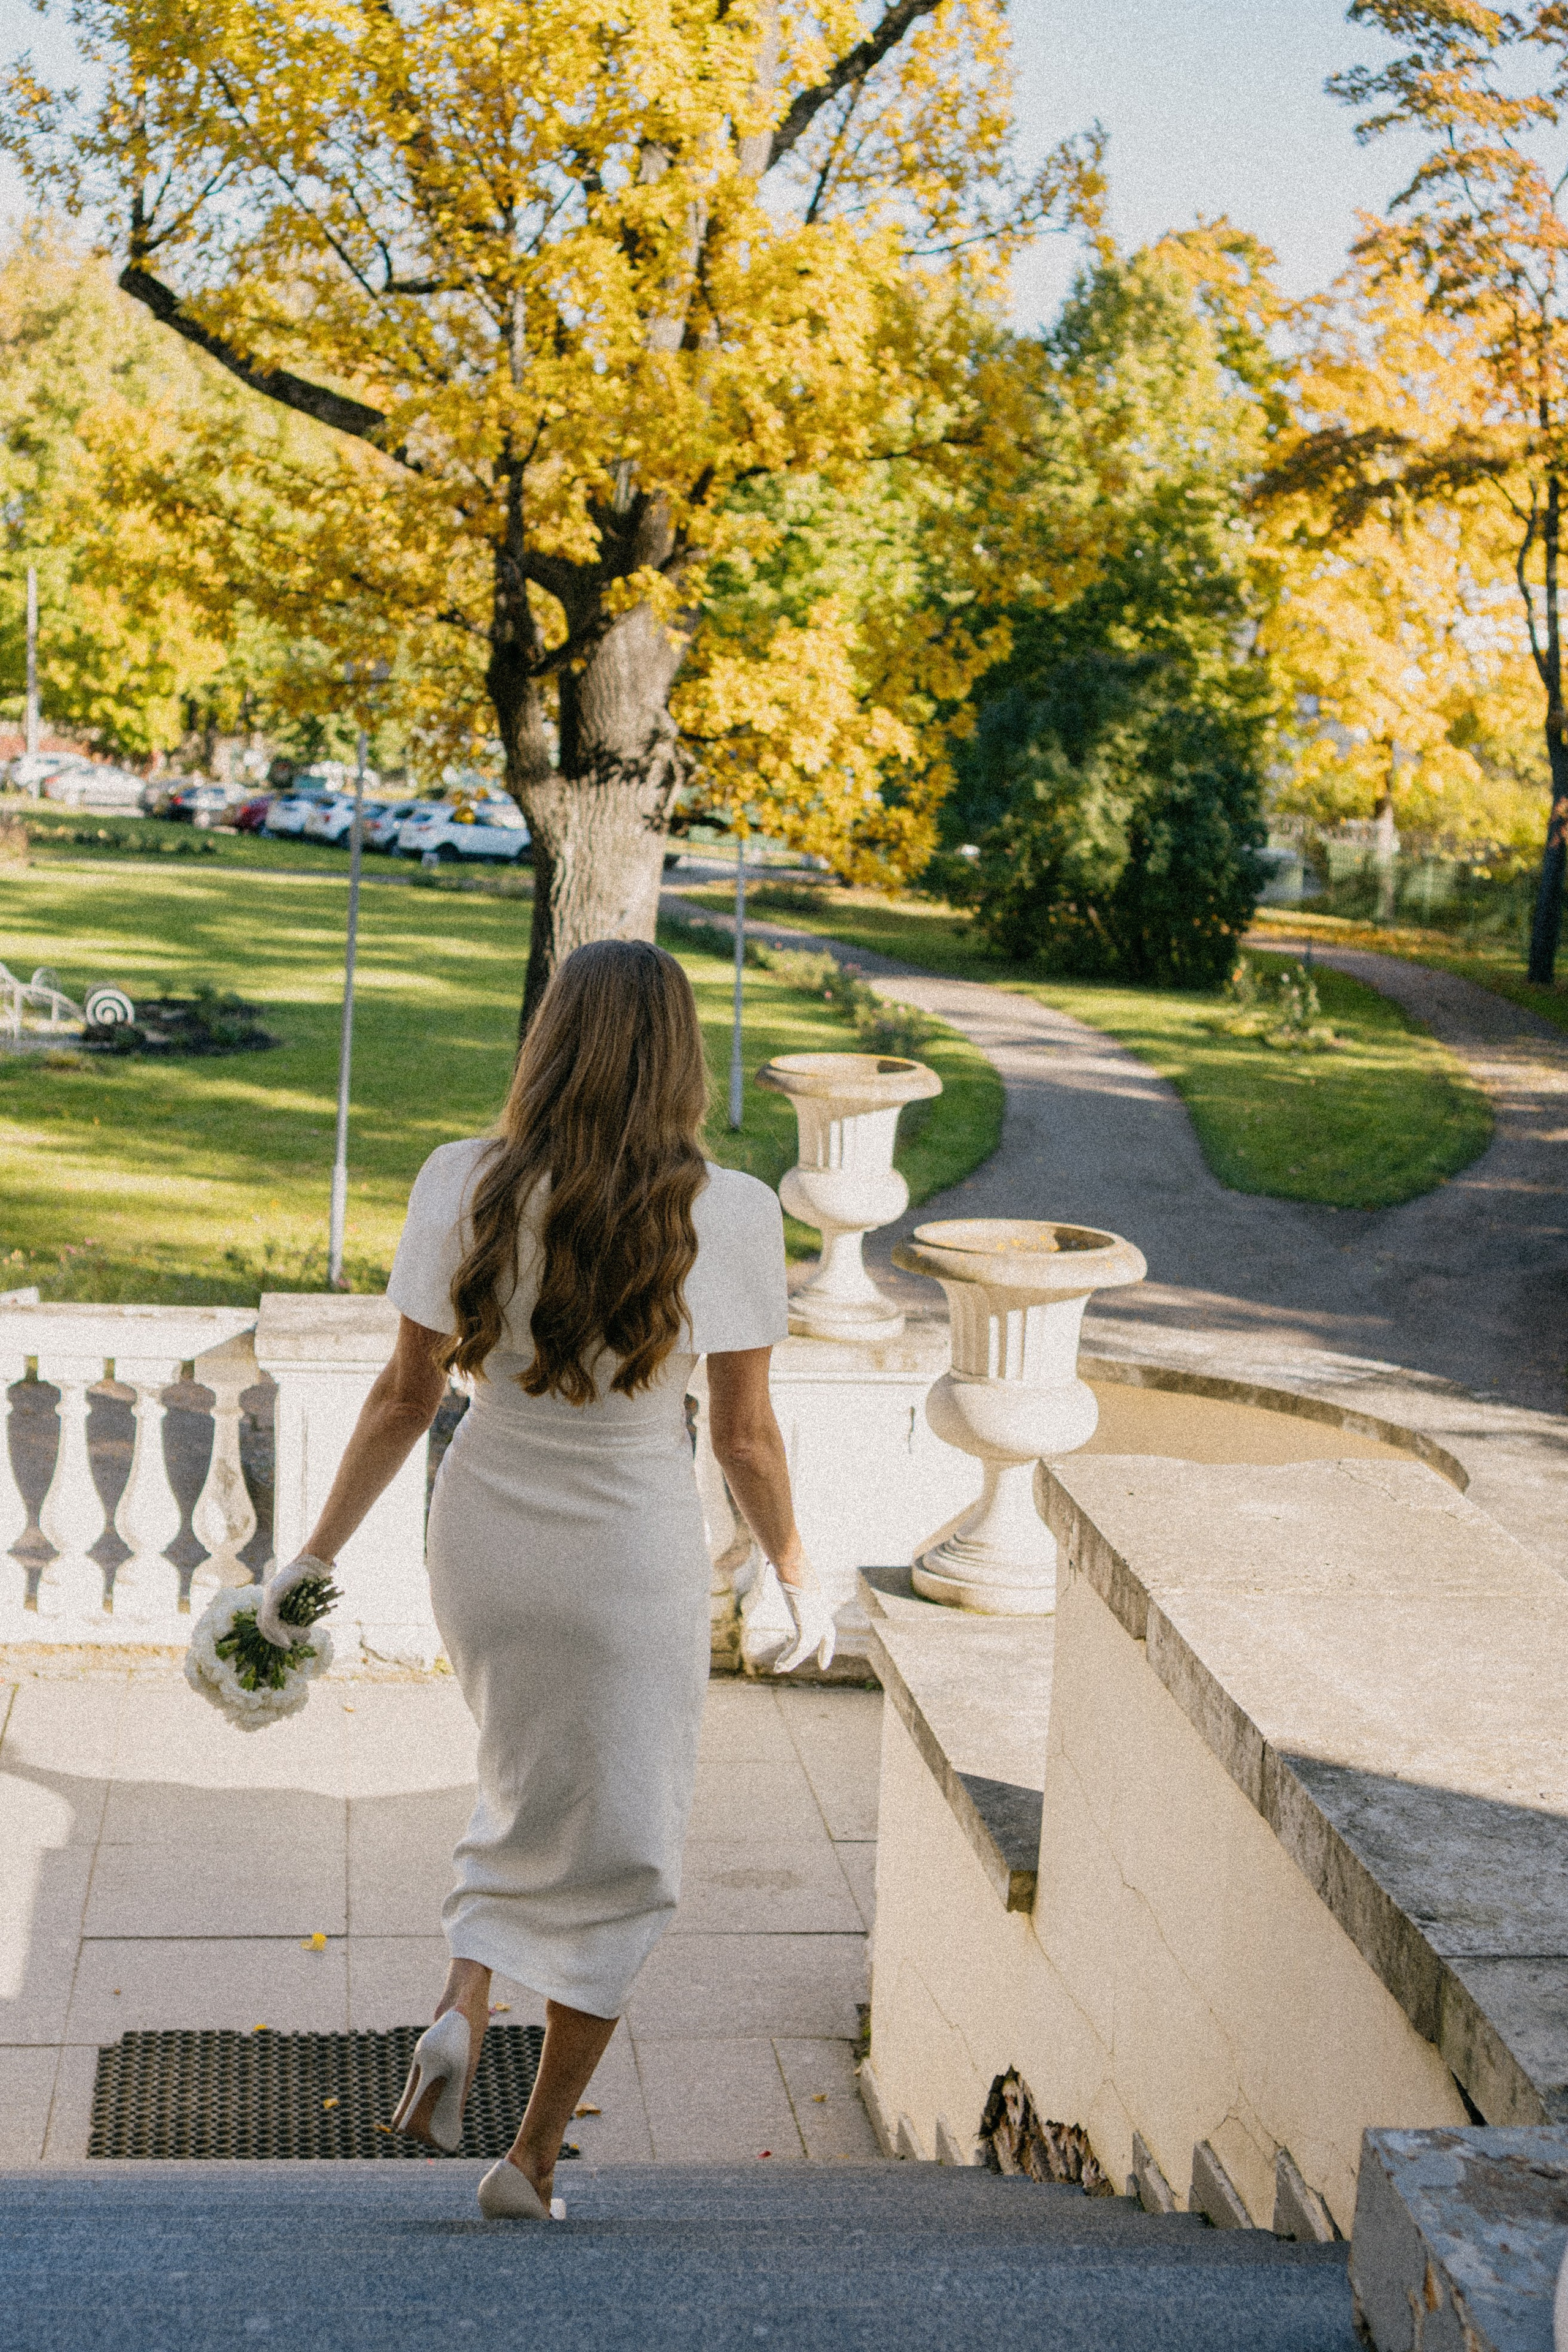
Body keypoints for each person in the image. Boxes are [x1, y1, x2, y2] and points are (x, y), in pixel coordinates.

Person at [253, 939, 832, 2219]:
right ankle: (531, 2159)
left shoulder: (459, 1180)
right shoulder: (732, 1210)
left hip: (485, 1534)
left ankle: (463, 1997)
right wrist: (798, 1577)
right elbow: (743, 1438)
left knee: (518, 1771)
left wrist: (310, 1562)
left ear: (550, 1043)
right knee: (625, 1843)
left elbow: (403, 1399)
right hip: (628, 1553)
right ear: (680, 1059)